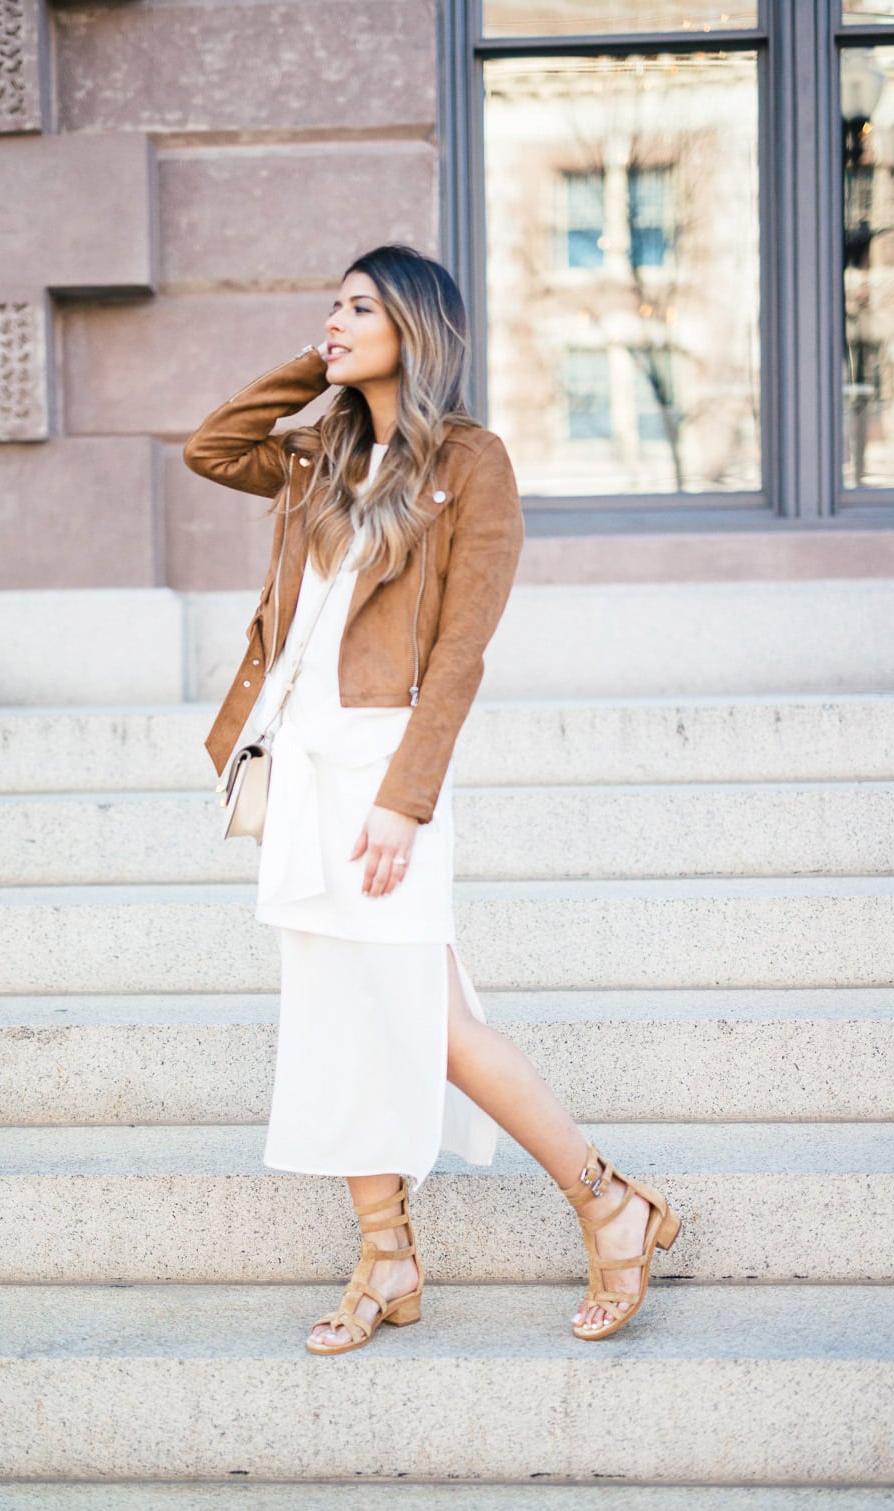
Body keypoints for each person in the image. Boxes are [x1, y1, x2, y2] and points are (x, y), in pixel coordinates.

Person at [183, 243, 681, 1356]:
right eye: (331, 304)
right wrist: (308, 368)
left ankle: (607, 1199)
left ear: (415, 325)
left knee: (433, 1023)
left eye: (359, 306)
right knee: (335, 1013)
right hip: (303, 765)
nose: (335, 318)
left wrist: (407, 798)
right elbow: (211, 448)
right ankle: (386, 1250)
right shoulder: (318, 453)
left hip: (384, 770)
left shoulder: (471, 462)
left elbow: (461, 652)